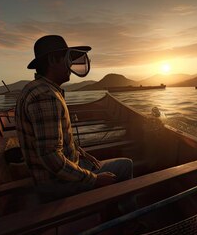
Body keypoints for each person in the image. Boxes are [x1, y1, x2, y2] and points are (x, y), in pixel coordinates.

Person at [15, 35, 134, 202]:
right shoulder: (45, 96)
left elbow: (58, 142)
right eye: (67, 58)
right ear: (52, 60)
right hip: (56, 184)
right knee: (125, 165)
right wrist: (94, 179)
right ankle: (128, 223)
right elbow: (50, 156)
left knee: (105, 166)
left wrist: (82, 154)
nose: (70, 64)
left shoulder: (37, 89)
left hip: (56, 175)